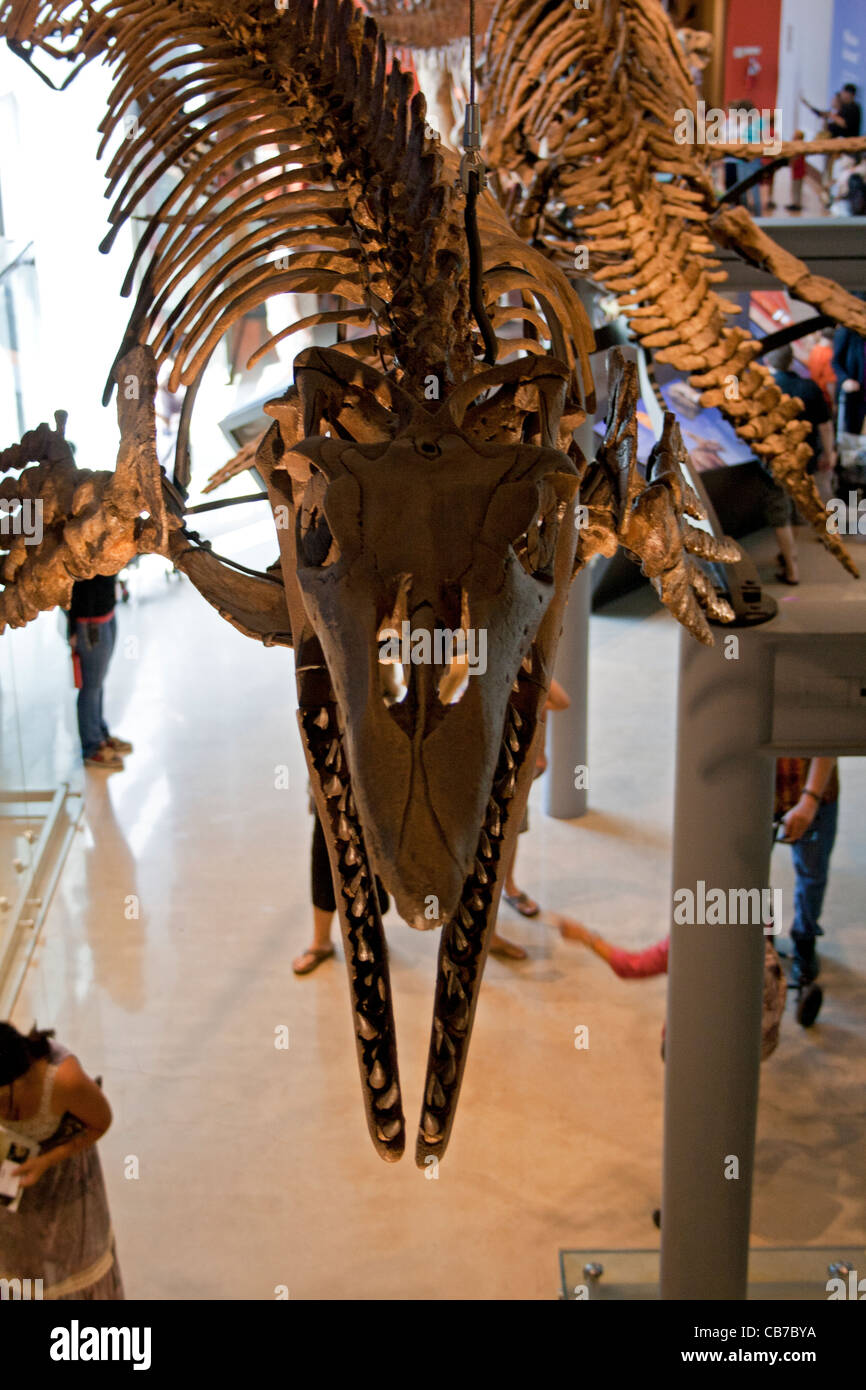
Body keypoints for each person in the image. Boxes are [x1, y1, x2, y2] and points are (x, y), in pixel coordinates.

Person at [0, 1022, 124, 1300]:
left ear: (19, 1079)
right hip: (16, 1189)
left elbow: (101, 1123)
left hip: (67, 1188)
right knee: (20, 1273)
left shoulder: (63, 1079)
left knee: (73, 1267)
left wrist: (47, 1160)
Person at [764, 343, 835, 583]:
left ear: (768, 362)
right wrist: (829, 453)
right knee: (796, 507)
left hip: (774, 460)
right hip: (806, 457)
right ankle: (789, 557)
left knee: (780, 511)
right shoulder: (809, 386)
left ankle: (791, 568)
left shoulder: (764, 389)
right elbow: (825, 426)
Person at [775, 757, 839, 987]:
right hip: (754, 783)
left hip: (815, 787)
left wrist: (810, 799)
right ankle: (760, 941)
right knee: (745, 873)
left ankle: (805, 940)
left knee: (812, 876)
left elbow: (832, 729)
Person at [68, 575, 133, 770]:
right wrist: (72, 628)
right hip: (89, 620)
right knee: (91, 686)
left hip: (106, 612)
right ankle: (92, 747)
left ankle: (100, 733)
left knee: (98, 681)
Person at [833, 323, 866, 437]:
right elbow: (835, 361)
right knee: (852, 433)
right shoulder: (846, 331)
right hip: (855, 394)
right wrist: (845, 379)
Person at [807, 328, 838, 409]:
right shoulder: (830, 355)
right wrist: (834, 402)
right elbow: (830, 383)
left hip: (814, 392)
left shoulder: (815, 349)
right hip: (825, 396)